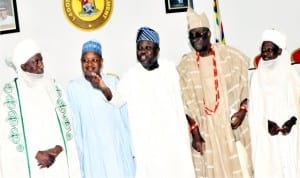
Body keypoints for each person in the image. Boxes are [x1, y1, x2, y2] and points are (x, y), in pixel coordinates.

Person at [108, 27, 196, 178]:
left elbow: (185, 100)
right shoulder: (130, 76)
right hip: (149, 149)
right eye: (139, 48)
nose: (142, 51)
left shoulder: (170, 69)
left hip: (175, 144)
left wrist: (194, 131)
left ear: (158, 49)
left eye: (147, 47)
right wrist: (102, 87)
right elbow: (116, 100)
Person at [177, 8, 253, 178]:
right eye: (192, 35)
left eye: (200, 34)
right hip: (206, 130)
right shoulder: (185, 66)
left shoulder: (229, 55)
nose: (196, 39)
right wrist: (195, 133)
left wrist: (242, 111)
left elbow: (247, 87)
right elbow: (184, 104)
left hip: (229, 126)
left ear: (209, 34)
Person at [0, 38, 81, 178]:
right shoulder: (9, 96)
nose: (41, 65)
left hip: (57, 161)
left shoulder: (54, 88)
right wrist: (36, 153)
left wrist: (58, 148)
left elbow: (68, 124)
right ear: (23, 66)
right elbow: (7, 137)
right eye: (36, 62)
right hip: (31, 163)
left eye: (41, 60)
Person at [66, 40, 136, 178]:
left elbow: (125, 119)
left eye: (94, 60)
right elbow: (74, 125)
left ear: (101, 61)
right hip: (92, 152)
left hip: (116, 149)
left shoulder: (113, 82)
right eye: (85, 60)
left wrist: (131, 151)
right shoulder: (74, 88)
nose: (89, 64)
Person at [248, 29, 300, 178]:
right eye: (263, 50)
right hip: (267, 135)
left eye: (270, 50)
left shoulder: (292, 75)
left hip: (290, 133)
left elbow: (298, 104)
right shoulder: (257, 78)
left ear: (279, 52)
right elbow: (255, 111)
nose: (265, 54)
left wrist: (292, 122)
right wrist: (266, 124)